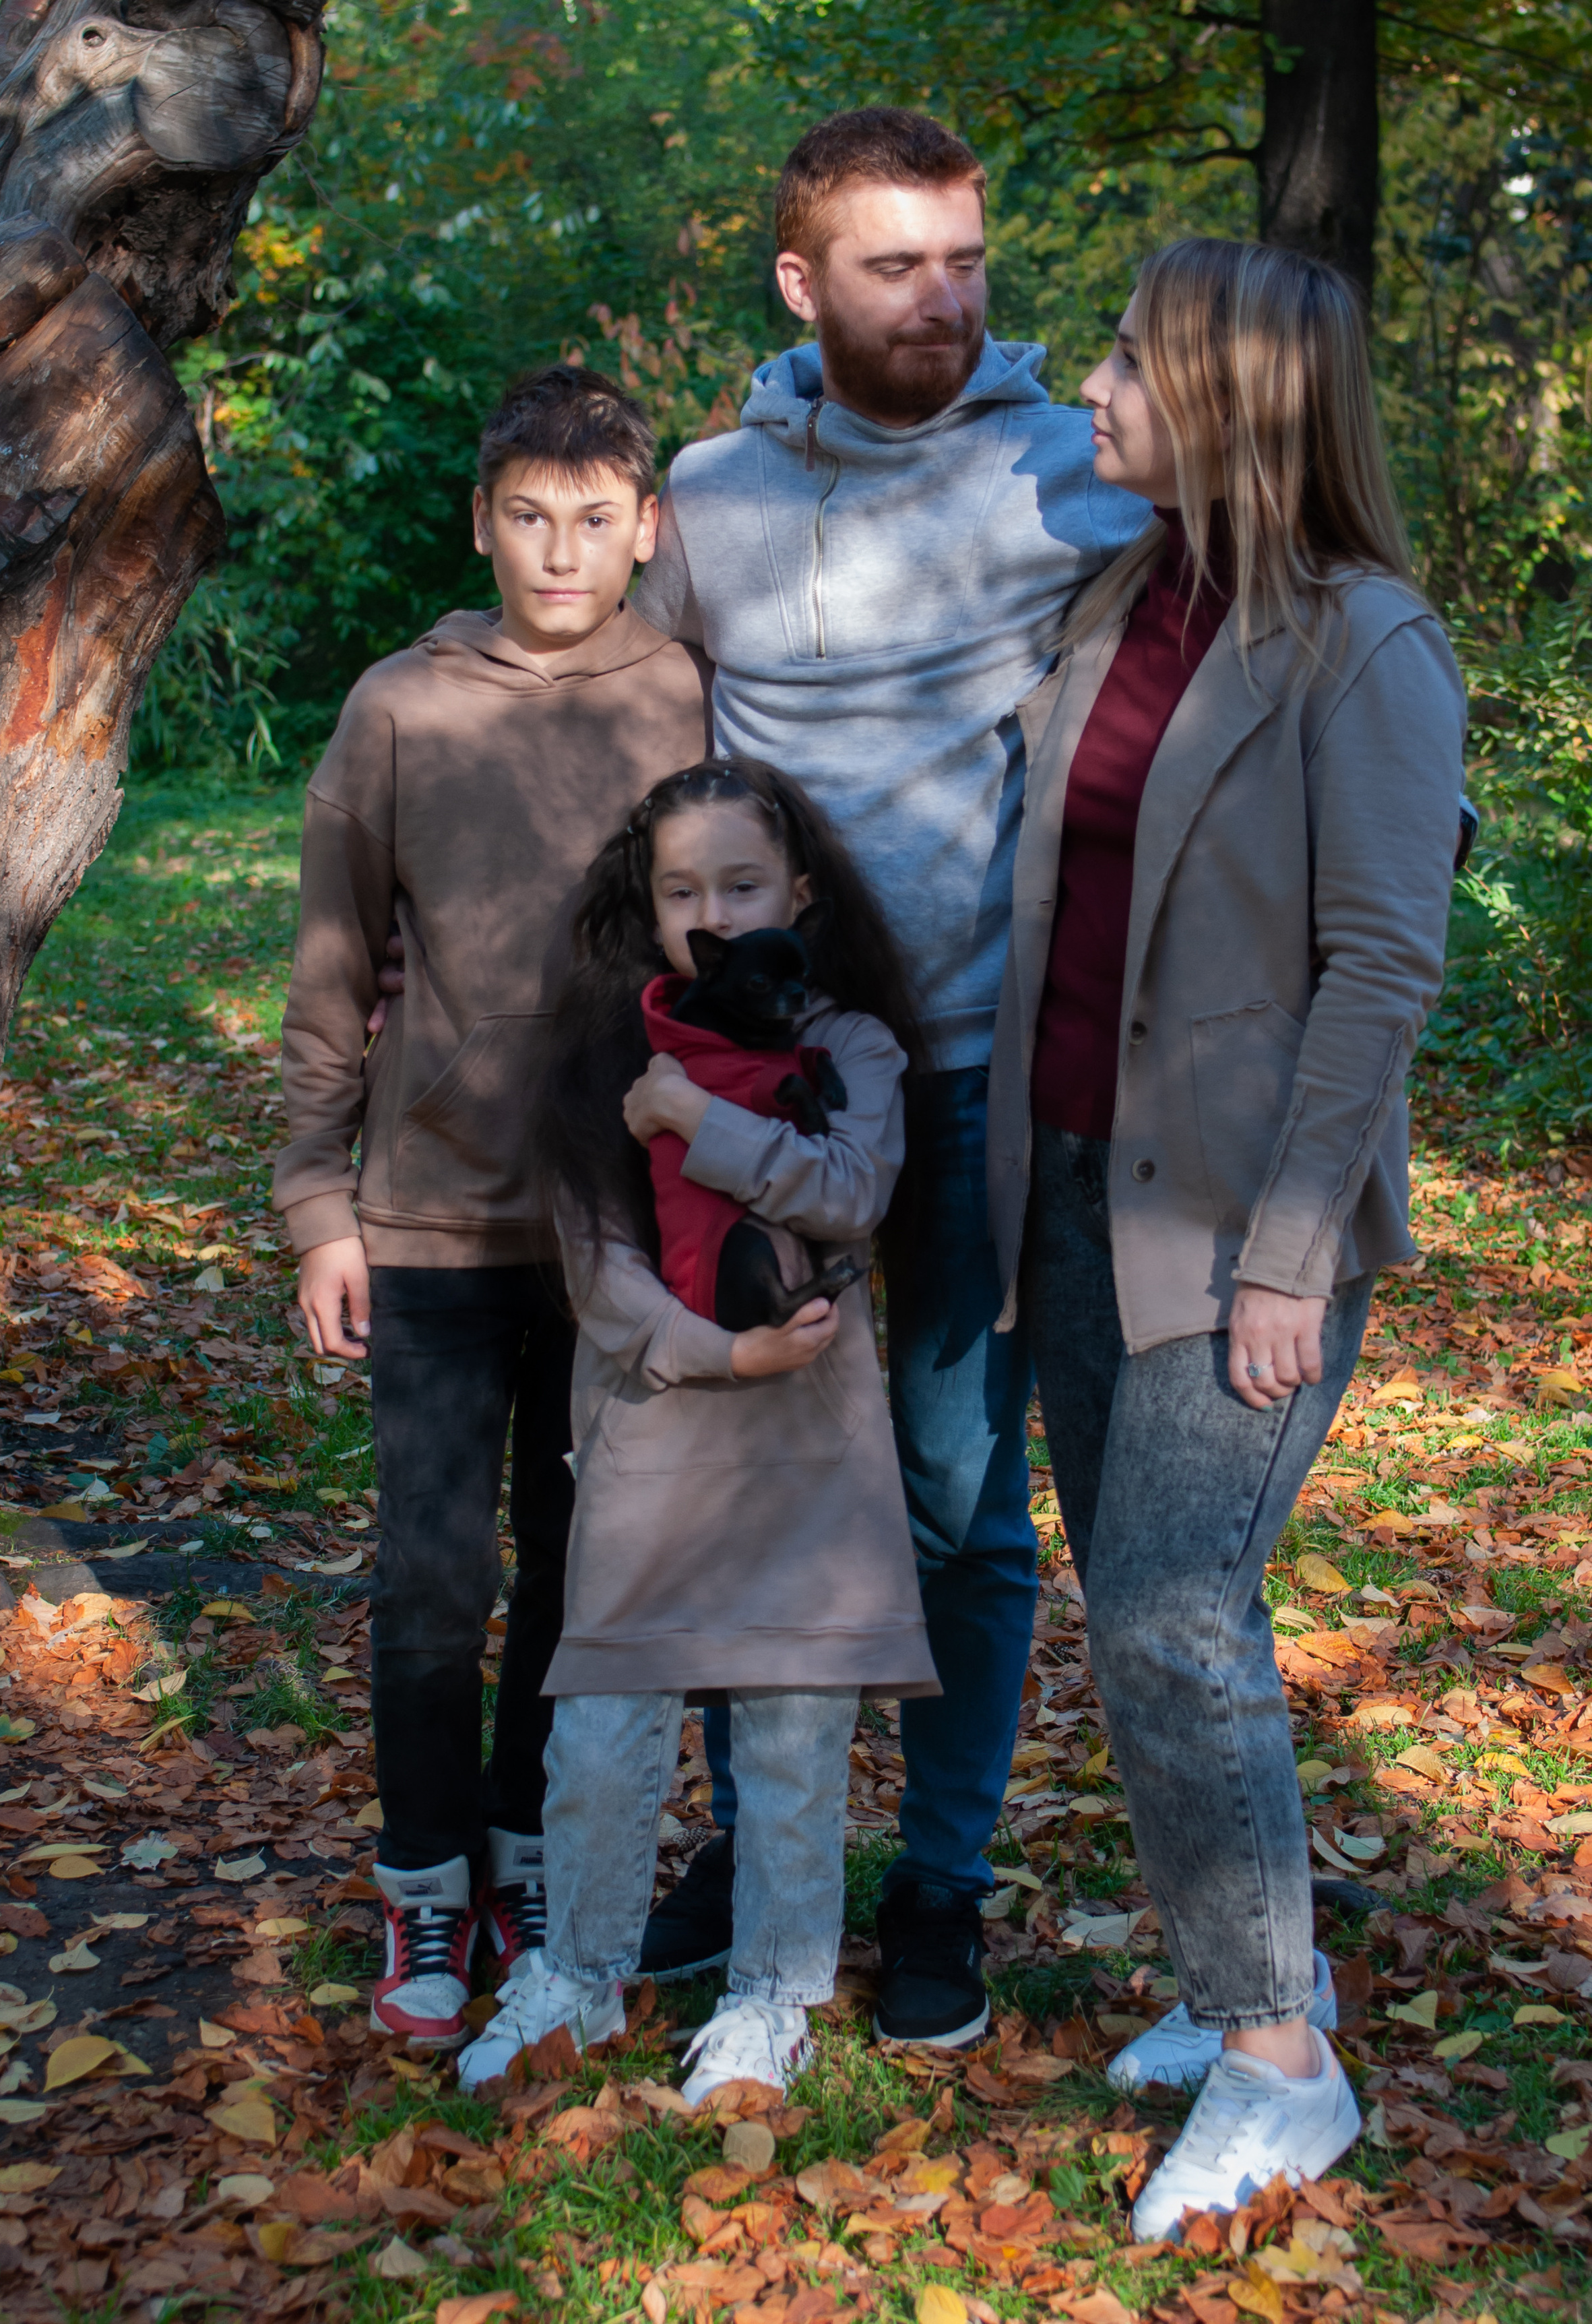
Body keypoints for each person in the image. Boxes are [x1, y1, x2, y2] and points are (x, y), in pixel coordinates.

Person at [631, 106, 1151, 2046]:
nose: (945, 300)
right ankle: (753, 1843)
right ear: (800, 286)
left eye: (966, 260)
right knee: (742, 1469)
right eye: (895, 265)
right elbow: (605, 686)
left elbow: (1269, 587)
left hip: (957, 1087)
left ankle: (941, 1881)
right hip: (747, 1091)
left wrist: (1400, 792)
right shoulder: (714, 496)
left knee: (953, 1505)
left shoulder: (1063, 473)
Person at [984, 238, 1466, 2233]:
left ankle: (1282, 2066)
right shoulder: (1131, 592)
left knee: (1180, 1617)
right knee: (1155, 1614)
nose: (1090, 391)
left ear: (1239, 395)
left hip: (1242, 1230)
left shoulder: (1367, 640)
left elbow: (1382, 969)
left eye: (1127, 360)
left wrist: (1291, 1248)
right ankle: (1241, 1984)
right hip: (1080, 1189)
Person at [273, 367, 711, 2049]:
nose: (558, 549)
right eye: (528, 516)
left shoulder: (681, 695)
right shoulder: (401, 706)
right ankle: (422, 1897)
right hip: (432, 1220)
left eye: (595, 520)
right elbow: (328, 970)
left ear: (644, 531)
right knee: (431, 1582)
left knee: (573, 1570)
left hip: (610, 1229)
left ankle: (530, 1866)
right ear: (481, 521)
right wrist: (319, 1201)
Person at [455, 757, 938, 2100]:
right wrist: (720, 1347)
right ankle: (579, 1977)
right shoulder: (608, 1055)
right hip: (657, 1427)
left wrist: (703, 1121)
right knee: (603, 1736)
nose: (709, 909)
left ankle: (772, 1991)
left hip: (807, 1446)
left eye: (738, 882)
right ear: (647, 903)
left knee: (790, 1737)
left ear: (795, 890)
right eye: (682, 889)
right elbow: (603, 1283)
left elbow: (850, 1191)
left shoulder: (845, 1048)